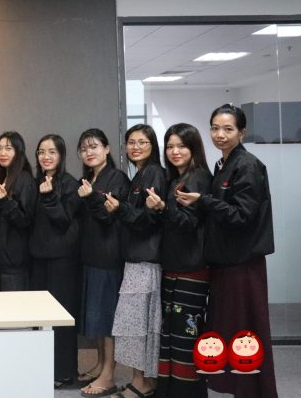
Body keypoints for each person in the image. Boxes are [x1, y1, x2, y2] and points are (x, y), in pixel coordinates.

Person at [180, 104, 277, 398]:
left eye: (228, 129)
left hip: (243, 264)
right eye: (215, 128)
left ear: (241, 132)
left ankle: (254, 391)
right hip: (225, 262)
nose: (220, 134)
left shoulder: (247, 165)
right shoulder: (223, 164)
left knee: (246, 332)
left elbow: (241, 216)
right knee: (230, 330)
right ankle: (241, 389)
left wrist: (203, 200)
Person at [146, 124, 211, 398]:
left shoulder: (198, 178)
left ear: (193, 148)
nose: (175, 151)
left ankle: (187, 392)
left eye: (181, 146)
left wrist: (163, 208)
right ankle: (170, 390)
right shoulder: (176, 178)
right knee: (170, 333)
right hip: (174, 265)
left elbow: (188, 223)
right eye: (170, 146)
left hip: (191, 268)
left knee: (186, 334)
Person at [108, 124, 166, 398]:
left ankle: (141, 383)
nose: (135, 147)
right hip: (137, 259)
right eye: (131, 142)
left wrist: (120, 208)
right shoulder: (140, 175)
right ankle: (143, 381)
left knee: (138, 326)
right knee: (136, 325)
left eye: (142, 142)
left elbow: (147, 220)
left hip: (145, 261)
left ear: (152, 145)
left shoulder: (154, 173)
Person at [75, 128, 129, 398]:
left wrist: (91, 198)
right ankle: (99, 365)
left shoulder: (116, 177)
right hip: (90, 255)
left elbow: (109, 215)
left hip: (108, 258)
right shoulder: (88, 178)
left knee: (107, 318)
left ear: (107, 149)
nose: (89, 152)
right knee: (95, 316)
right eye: (84, 149)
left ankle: (108, 375)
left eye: (94, 146)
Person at [28, 134, 81, 389]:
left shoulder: (70, 184)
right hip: (37, 258)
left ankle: (64, 372)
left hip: (62, 260)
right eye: (41, 152)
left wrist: (49, 197)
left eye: (52, 152)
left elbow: (63, 219)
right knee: (39, 317)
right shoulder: (34, 182)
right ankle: (41, 368)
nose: (46, 157)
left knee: (60, 317)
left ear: (61, 155)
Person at [0, 131, 35, 291]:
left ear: (18, 151)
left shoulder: (24, 179)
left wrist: (5, 201)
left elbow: (24, 219)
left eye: (8, 148)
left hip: (14, 262)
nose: (2, 153)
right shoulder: (4, 178)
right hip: (2, 260)